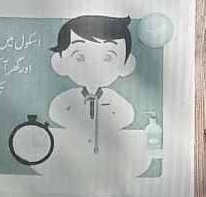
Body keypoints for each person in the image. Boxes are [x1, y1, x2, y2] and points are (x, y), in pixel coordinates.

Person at [46, 15, 138, 156]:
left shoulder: (114, 100)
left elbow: (128, 116)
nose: (94, 66)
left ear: (126, 65)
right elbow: (55, 113)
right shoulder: (66, 99)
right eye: (80, 57)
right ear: (60, 62)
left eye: (107, 57)